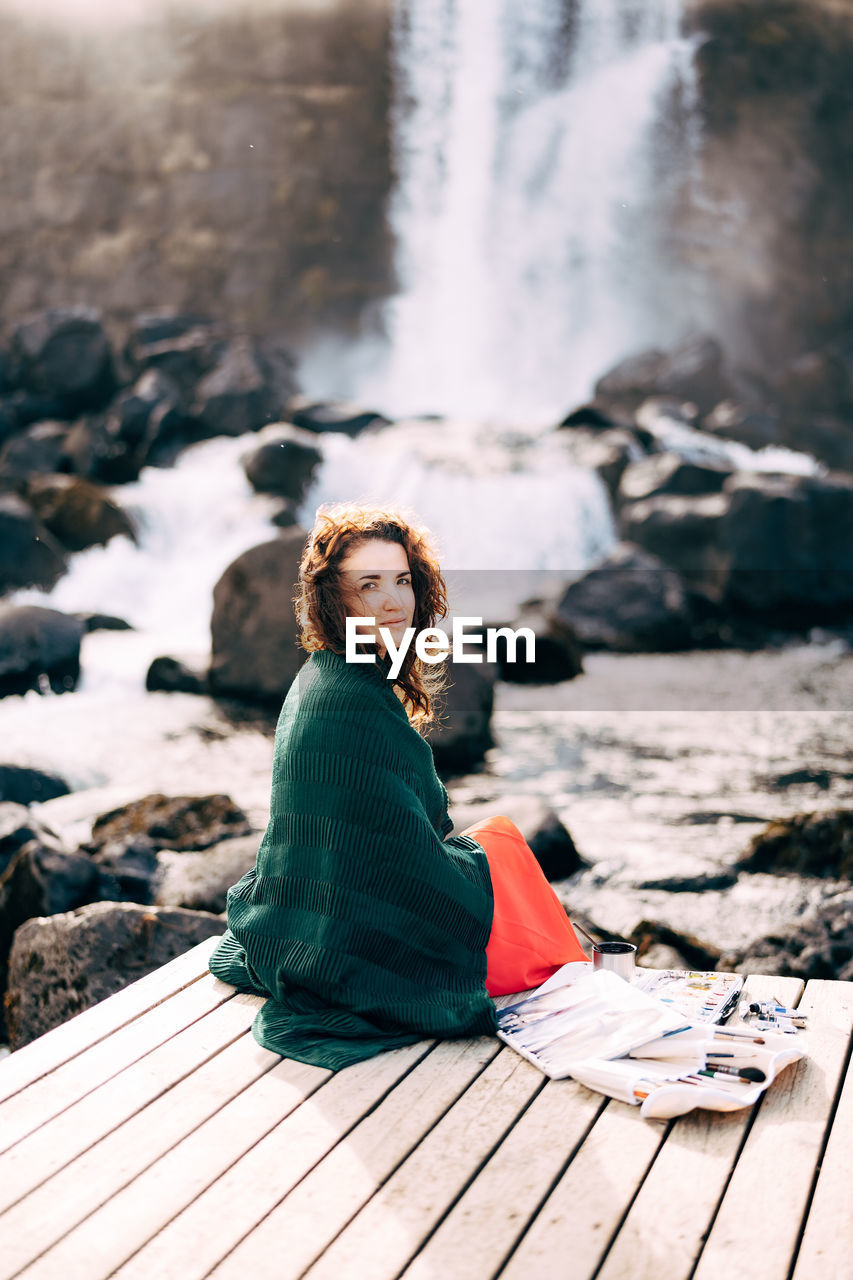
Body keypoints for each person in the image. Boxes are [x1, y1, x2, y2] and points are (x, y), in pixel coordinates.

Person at [209, 502, 587, 1069]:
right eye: (369, 585)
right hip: (349, 939)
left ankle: (572, 975)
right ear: (333, 599)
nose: (392, 601)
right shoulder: (349, 697)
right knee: (502, 846)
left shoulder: (330, 673)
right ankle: (579, 984)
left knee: (494, 848)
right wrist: (466, 868)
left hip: (312, 913)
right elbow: (409, 858)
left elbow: (387, 831)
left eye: (403, 581)